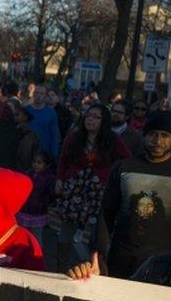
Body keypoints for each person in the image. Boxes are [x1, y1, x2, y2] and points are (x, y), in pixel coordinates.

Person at [97, 111, 171, 279]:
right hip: (121, 260)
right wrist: (98, 252)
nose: (158, 141)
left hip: (166, 263)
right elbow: (106, 213)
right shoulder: (124, 168)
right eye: (152, 134)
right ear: (143, 136)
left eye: (164, 135)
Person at [53, 103, 130, 270]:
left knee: (96, 231)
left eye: (96, 117)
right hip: (74, 188)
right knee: (67, 229)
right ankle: (60, 267)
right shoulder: (74, 137)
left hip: (98, 190)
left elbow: (127, 159)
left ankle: (94, 267)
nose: (91, 119)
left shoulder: (113, 139)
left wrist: (115, 179)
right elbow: (63, 159)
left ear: (104, 121)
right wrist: (59, 179)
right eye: (88, 115)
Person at [17, 151, 56, 250]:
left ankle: (36, 255)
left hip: (38, 212)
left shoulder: (49, 178)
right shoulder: (27, 174)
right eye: (34, 162)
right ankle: (22, 254)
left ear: (46, 165)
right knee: (23, 234)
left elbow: (51, 194)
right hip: (25, 210)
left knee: (36, 237)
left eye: (39, 163)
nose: (36, 165)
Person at [25, 85, 61, 159]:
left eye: (41, 93)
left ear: (45, 96)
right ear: (33, 94)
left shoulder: (51, 113)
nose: (38, 95)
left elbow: (54, 134)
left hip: (44, 153)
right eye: (37, 93)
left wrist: (54, 154)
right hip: (27, 151)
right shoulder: (26, 110)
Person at [9, 98, 40, 172]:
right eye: (14, 115)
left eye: (17, 115)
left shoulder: (32, 135)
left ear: (25, 117)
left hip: (25, 169)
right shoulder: (10, 132)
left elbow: (35, 154)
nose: (15, 118)